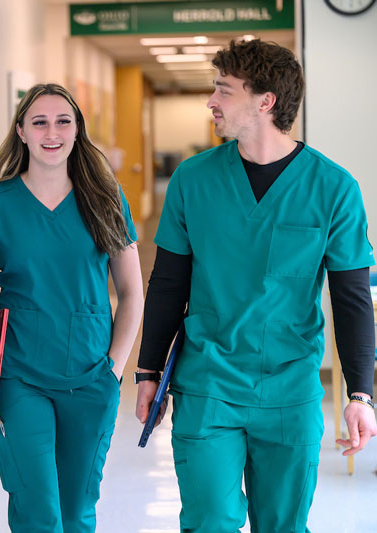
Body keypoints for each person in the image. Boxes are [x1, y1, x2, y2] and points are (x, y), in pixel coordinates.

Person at [136, 39, 377, 532]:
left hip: (291, 389)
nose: (211, 101)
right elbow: (167, 283)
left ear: (265, 101)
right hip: (208, 383)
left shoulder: (333, 188)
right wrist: (147, 371)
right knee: (209, 521)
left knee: (283, 524)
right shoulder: (193, 180)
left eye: (223, 89)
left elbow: (351, 299)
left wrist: (361, 394)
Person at [0, 83, 144, 532]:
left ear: (78, 130)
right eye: (39, 121)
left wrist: (114, 370)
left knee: (77, 511)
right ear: (21, 131)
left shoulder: (105, 199)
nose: (52, 132)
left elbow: (132, 292)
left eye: (63, 121)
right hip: (19, 375)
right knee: (37, 511)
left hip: (91, 374)